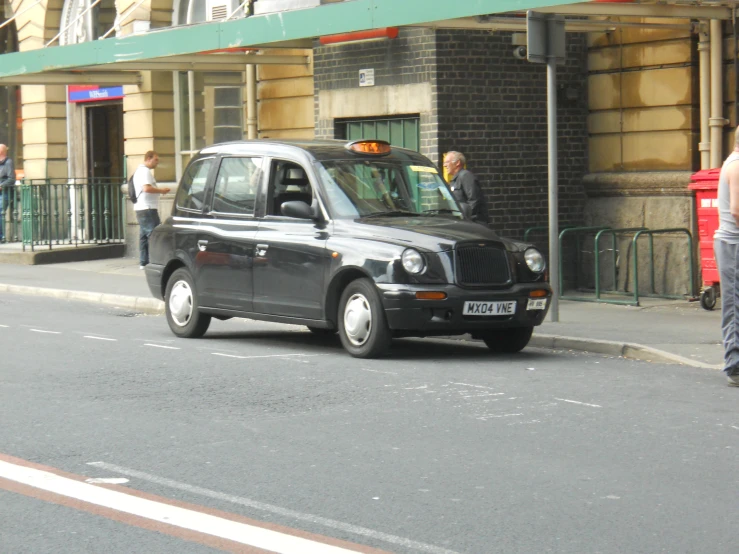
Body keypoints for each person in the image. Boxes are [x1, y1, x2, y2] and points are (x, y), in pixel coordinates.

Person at [714, 126, 739, 386]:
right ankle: (735, 367)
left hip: (732, 243)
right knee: (733, 305)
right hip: (733, 245)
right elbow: (737, 210)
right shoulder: (737, 165)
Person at [133, 151, 170, 269]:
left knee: (144, 236)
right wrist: (161, 191)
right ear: (148, 159)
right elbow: (146, 188)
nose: (157, 163)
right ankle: (156, 261)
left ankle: (144, 262)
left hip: (142, 207)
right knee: (154, 235)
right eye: (155, 160)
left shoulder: (140, 171)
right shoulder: (145, 171)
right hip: (147, 208)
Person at [443, 151, 489, 225]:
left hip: (473, 223)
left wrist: (465, 217)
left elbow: (474, 200)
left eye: (447, 162)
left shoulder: (465, 176)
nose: (445, 165)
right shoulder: (455, 180)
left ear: (457, 163)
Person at [0, 144, 15, 243]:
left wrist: (1, 185)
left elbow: (11, 179)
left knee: (0, 212)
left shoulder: (8, 162)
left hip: (5, 192)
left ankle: (1, 237)